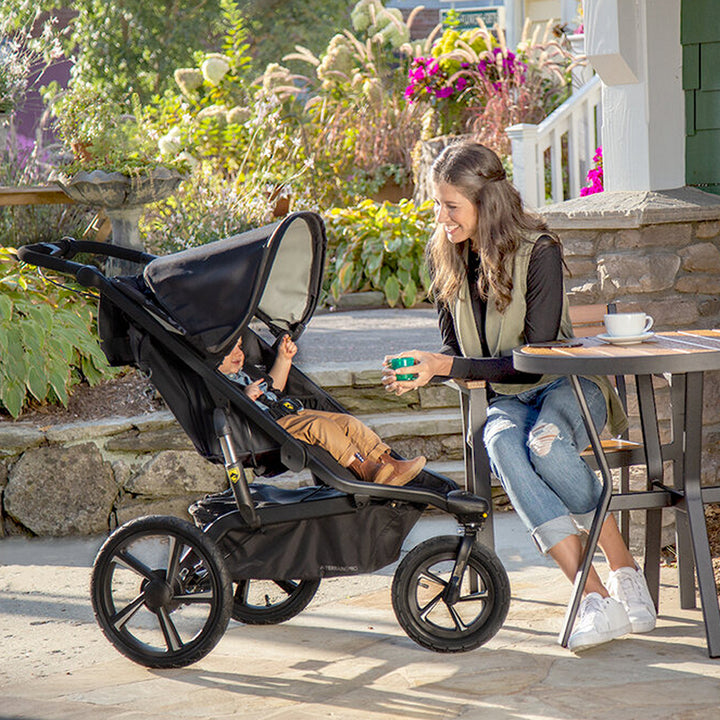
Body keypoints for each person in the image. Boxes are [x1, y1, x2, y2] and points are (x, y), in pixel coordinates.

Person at [382, 141, 656, 652]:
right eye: (438, 204)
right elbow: (454, 353)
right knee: (501, 442)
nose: (441, 217)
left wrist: (448, 366)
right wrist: (426, 371)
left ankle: (623, 567)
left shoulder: (539, 250)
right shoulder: (445, 255)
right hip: (507, 399)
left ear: (485, 203)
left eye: (451, 206)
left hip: (567, 385)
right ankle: (594, 596)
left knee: (545, 445)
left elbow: (536, 355)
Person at [219, 333, 426, 486]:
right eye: (230, 350)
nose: (239, 353)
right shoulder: (221, 384)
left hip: (290, 413)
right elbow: (230, 416)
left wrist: (283, 359)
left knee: (347, 422)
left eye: (240, 346)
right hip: (267, 427)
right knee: (319, 426)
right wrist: (245, 398)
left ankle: (389, 462)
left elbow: (274, 389)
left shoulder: (245, 372)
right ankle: (367, 469)